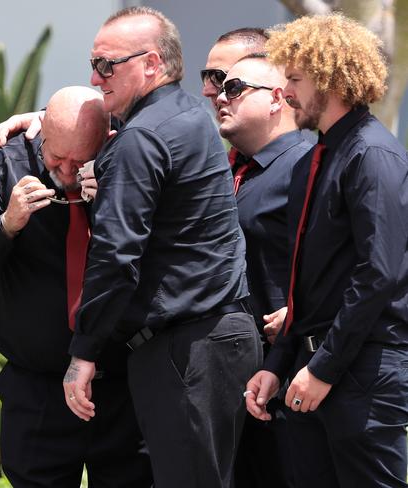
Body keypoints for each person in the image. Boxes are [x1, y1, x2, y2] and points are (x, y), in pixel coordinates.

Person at [61, 7, 261, 487]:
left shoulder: (144, 137)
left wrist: (83, 352)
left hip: (186, 351)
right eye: (93, 63)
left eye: (108, 65)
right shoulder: (191, 114)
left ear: (151, 64)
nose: (94, 76)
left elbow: (115, 256)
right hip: (220, 341)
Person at [0, 86, 152, 488]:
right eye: (55, 158)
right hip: (37, 384)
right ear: (41, 133)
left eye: (79, 161)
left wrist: (111, 201)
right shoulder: (7, 165)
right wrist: (7, 224)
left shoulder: (130, 159)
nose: (65, 172)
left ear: (107, 141)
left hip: (119, 383)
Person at [245, 14, 408, 488]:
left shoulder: (372, 155)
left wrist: (322, 368)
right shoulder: (319, 157)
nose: (286, 93)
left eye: (294, 79)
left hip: (362, 373)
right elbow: (308, 285)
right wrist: (278, 367)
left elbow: (378, 275)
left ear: (332, 78)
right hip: (315, 370)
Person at [216, 52, 313, 488]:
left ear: (277, 98)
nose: (220, 96)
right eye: (218, 85)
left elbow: (350, 263)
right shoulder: (233, 170)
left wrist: (299, 311)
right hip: (239, 378)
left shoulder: (305, 167)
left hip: (290, 377)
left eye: (234, 88)